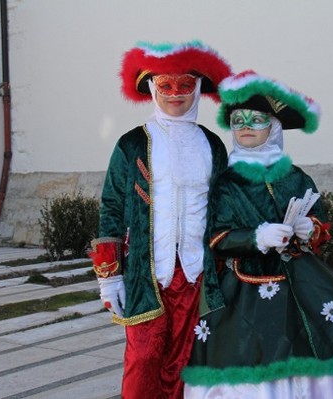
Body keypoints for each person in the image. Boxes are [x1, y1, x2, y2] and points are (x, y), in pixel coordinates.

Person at [182, 70, 333, 398]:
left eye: (256, 119)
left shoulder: (296, 177)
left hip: (303, 280)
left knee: (323, 341)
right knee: (253, 350)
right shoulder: (226, 182)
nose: (245, 126)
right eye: (238, 119)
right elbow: (216, 235)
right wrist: (255, 237)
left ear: (273, 127)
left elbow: (320, 223)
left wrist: (308, 228)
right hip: (246, 288)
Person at [88, 40, 231, 399]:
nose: (175, 94)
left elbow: (225, 207)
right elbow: (111, 208)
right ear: (152, 88)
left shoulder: (213, 145)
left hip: (198, 273)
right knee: (143, 358)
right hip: (145, 274)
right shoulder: (132, 143)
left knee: (187, 360)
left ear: (197, 88)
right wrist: (109, 278)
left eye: (185, 85)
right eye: (165, 85)